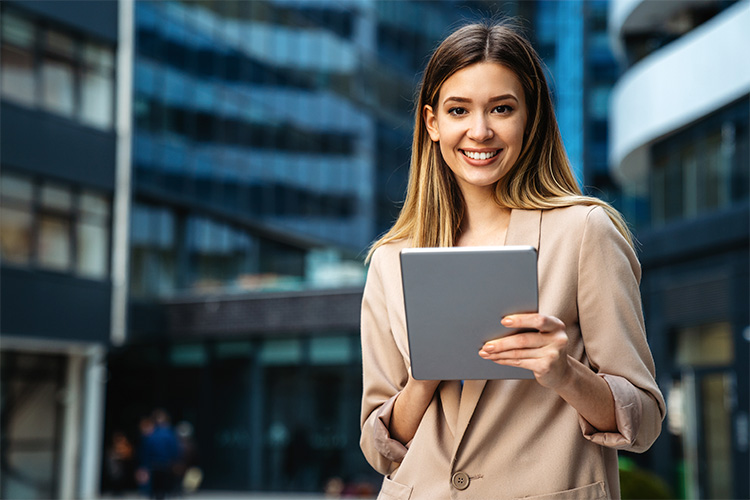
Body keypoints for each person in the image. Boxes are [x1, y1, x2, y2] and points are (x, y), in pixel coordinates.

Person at [359, 20, 666, 500]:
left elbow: (643, 421)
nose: (479, 131)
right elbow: (379, 448)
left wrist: (564, 372)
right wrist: (424, 378)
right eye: (458, 110)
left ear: (530, 118)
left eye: (501, 108)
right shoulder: (389, 260)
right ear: (432, 123)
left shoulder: (584, 232)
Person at [138, 409, 183, 499]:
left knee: (155, 487)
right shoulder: (168, 433)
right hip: (163, 464)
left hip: (156, 464)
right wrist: (176, 460)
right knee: (161, 488)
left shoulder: (152, 434)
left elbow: (145, 450)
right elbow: (175, 449)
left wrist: (144, 465)